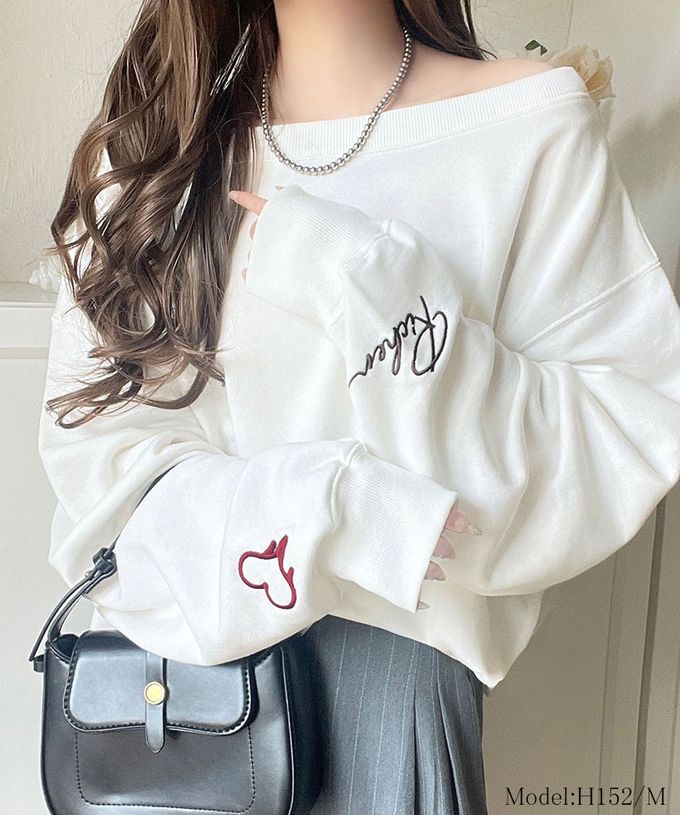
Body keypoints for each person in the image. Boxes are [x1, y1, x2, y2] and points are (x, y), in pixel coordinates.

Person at [38, 1, 680, 813]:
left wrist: (365, 280)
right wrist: (337, 507)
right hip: (177, 705)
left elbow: (613, 441)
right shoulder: (154, 159)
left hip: (392, 704)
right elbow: (102, 485)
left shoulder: (527, 124)